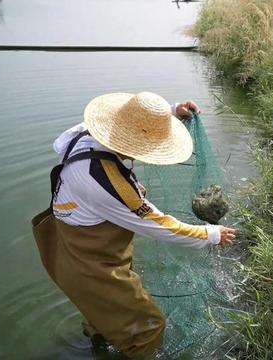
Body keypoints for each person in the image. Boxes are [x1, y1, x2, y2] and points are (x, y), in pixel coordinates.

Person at [31, 91, 236, 358]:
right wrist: (210, 233)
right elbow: (158, 225)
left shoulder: (84, 133)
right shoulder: (105, 184)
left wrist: (173, 112)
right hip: (90, 266)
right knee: (149, 328)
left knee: (101, 317)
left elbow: (133, 123)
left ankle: (98, 343)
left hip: (66, 245)